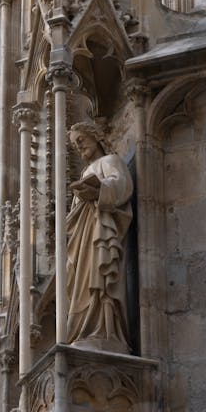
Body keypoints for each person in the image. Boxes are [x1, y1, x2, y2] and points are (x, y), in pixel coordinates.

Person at [65, 121, 133, 353]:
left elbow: (122, 185)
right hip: (84, 235)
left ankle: (106, 330)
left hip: (101, 228)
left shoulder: (110, 161)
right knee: (83, 279)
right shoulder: (86, 171)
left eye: (81, 140)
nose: (78, 147)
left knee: (102, 277)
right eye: (75, 145)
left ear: (95, 136)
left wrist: (98, 191)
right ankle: (87, 329)